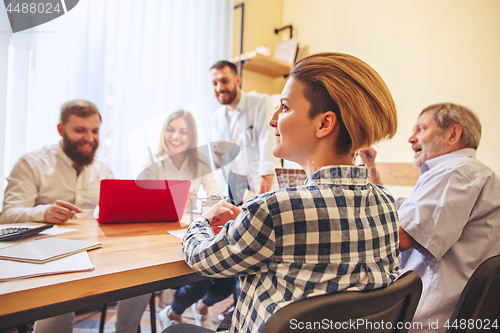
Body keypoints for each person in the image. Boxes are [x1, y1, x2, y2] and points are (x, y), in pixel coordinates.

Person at [165, 52, 402, 333]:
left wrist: (202, 221)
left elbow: (201, 258)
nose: (273, 120)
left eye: (285, 107)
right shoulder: (386, 204)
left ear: (324, 124)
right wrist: (250, 219)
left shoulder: (275, 210)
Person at [357, 103, 500, 332]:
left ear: (453, 134)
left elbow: (401, 237)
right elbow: (401, 215)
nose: (411, 138)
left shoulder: (457, 172)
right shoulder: (468, 172)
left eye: (420, 129)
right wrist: (371, 172)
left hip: (427, 319)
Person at [122, 110, 234, 330]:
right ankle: (173, 313)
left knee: (227, 280)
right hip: (159, 236)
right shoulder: (152, 161)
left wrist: (199, 200)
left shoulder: (201, 162)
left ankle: (200, 307)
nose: (176, 136)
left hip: (189, 231)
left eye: (183, 132)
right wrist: (173, 198)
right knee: (199, 278)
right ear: (164, 133)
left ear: (191, 137)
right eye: (171, 130)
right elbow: (140, 203)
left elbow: (216, 197)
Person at [210, 61, 280, 205]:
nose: (220, 88)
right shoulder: (217, 116)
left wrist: (261, 202)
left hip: (259, 181)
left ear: (237, 80)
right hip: (234, 182)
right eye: (215, 83)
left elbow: (268, 157)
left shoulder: (261, 103)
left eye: (224, 81)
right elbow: (219, 161)